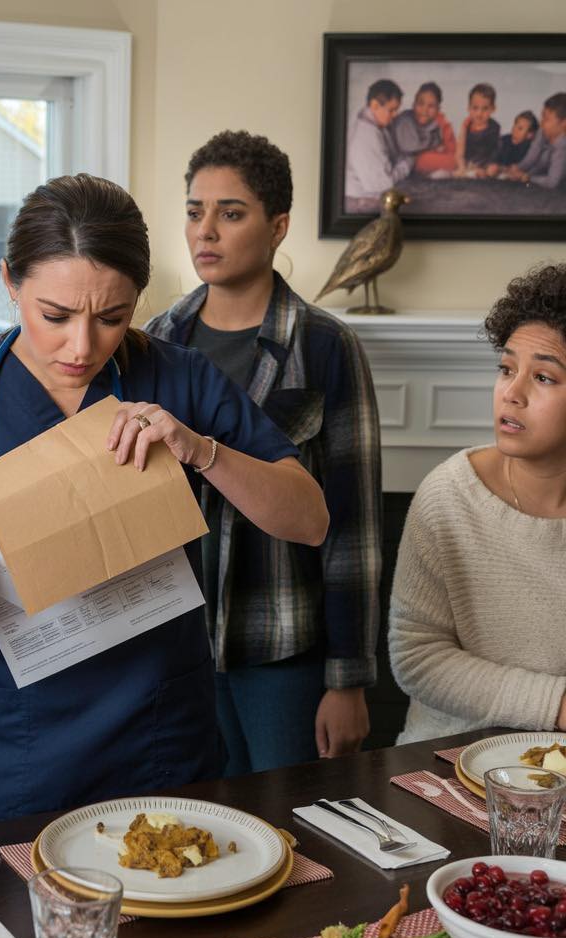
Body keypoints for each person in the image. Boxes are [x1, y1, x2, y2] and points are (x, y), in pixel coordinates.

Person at [0, 173, 329, 830]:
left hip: (155, 741)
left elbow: (308, 519)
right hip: (0, 749)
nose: (82, 347)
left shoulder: (179, 379)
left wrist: (201, 449)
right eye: (55, 316)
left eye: (112, 317)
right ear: (10, 281)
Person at [146, 131, 382, 775]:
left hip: (283, 652)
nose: (207, 232)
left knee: (298, 832)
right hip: (177, 650)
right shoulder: (157, 342)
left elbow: (353, 527)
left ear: (278, 226)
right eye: (195, 211)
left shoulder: (325, 345)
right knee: (193, 836)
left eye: (231, 212)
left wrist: (349, 679)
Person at [389, 263, 566, 743]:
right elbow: (417, 659)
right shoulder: (449, 496)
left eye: (544, 378)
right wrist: (557, 704)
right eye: (506, 369)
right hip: (444, 760)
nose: (512, 392)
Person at [345, 79, 414, 212]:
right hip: (363, 202)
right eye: (392, 110)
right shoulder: (365, 137)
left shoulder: (378, 126)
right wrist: (408, 163)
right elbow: (383, 184)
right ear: (375, 105)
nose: (395, 115)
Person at [391, 82, 457, 176]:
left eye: (431, 106)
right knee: (451, 162)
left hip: (419, 160)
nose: (425, 110)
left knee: (453, 159)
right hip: (403, 160)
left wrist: (445, 124)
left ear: (438, 109)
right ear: (413, 105)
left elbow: (451, 149)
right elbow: (409, 147)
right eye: (420, 104)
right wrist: (433, 148)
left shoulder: (435, 122)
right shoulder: (405, 120)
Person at [504, 94, 566, 190]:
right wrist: (515, 168)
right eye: (542, 117)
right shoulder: (542, 132)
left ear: (563, 123)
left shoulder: (562, 146)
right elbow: (530, 158)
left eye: (546, 119)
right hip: (539, 177)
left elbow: (552, 182)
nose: (541, 122)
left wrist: (526, 177)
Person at [455, 83, 501, 176]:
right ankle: (472, 172)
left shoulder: (494, 127)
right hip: (470, 163)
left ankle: (482, 172)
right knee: (460, 171)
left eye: (485, 108)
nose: (479, 113)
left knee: (493, 169)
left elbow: (496, 151)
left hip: (487, 163)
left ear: (493, 109)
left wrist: (491, 165)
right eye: (475, 108)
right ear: (469, 108)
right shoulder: (466, 126)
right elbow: (460, 151)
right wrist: (461, 166)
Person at [485, 110, 538, 176]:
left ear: (530, 135)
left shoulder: (529, 147)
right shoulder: (504, 140)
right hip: (500, 173)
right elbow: (494, 157)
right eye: (515, 125)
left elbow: (523, 166)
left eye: (520, 128)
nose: (514, 129)